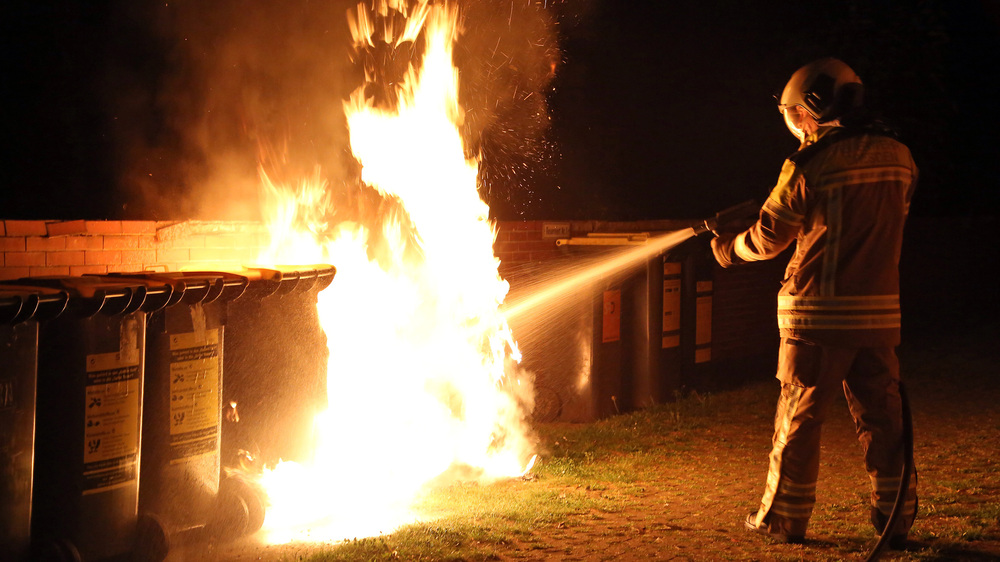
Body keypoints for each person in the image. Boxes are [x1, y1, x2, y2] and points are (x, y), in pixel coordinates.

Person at [709, 57, 918, 546]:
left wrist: (729, 250)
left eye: (791, 112)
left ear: (811, 109)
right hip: (879, 316)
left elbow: (768, 236)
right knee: (884, 421)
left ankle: (785, 519)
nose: (791, 123)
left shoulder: (810, 162)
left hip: (815, 317)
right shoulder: (900, 157)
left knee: (799, 419)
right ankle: (895, 521)